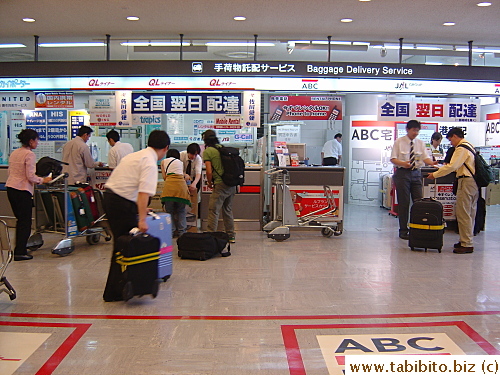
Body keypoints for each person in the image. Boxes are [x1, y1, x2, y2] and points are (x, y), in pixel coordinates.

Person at [102, 130, 170, 302]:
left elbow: (131, 187)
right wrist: (141, 219)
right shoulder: (149, 162)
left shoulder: (137, 155)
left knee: (121, 244)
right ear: (166, 148)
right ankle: (115, 291)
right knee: (124, 246)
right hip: (121, 203)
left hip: (113, 199)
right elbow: (143, 193)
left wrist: (140, 209)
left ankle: (120, 287)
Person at [427, 127, 478, 254]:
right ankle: (466, 240)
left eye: (451, 140)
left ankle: (466, 244)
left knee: (463, 212)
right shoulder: (470, 146)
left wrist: (435, 174)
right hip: (473, 182)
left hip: (466, 182)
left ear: (455, 136)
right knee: (470, 213)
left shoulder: (461, 148)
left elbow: (453, 166)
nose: (451, 143)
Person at [5, 129, 52, 261]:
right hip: (22, 190)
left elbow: (11, 171)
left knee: (20, 221)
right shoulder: (29, 154)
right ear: (31, 141)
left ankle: (19, 248)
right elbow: (30, 176)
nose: (37, 142)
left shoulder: (15, 152)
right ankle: (20, 252)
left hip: (11, 189)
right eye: (36, 140)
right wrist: (43, 180)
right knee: (25, 222)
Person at [390, 120, 437, 240]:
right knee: (404, 203)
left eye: (417, 130)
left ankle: (417, 227)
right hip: (402, 174)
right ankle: (403, 230)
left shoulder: (420, 143)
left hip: (416, 174)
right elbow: (393, 159)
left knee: (418, 202)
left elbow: (425, 158)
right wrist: (403, 163)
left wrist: (433, 163)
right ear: (407, 129)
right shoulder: (399, 142)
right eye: (414, 130)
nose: (416, 133)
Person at [203, 131, 236, 243]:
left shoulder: (208, 151)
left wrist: (209, 182)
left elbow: (208, 171)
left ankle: (210, 235)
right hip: (231, 183)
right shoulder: (222, 148)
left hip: (220, 184)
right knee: (227, 210)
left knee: (213, 210)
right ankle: (231, 235)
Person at [160, 149, 191, 238]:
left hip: (169, 189)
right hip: (181, 189)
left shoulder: (163, 162)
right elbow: (182, 175)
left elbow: (165, 177)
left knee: (169, 212)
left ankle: (171, 231)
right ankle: (182, 232)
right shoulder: (180, 163)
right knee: (181, 211)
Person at [180, 143, 203, 227]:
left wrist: (194, 184)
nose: (193, 156)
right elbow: (177, 169)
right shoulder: (181, 155)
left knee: (193, 201)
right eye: (192, 154)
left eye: (195, 154)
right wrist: (184, 175)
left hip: (193, 180)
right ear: (188, 152)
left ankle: (192, 222)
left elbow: (198, 174)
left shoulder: (198, 159)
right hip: (181, 179)